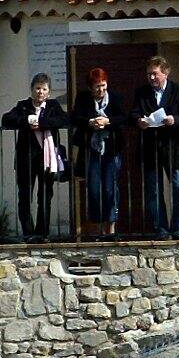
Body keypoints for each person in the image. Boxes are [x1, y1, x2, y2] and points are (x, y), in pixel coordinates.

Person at [132, 56, 179, 238]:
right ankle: (161, 228)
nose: (151, 78)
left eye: (155, 74)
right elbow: (134, 112)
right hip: (151, 148)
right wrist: (140, 121)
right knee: (154, 190)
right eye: (149, 74)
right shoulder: (142, 92)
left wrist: (175, 120)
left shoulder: (178, 90)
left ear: (165, 73)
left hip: (173, 147)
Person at [1, 74, 69, 242]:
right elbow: (6, 119)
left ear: (49, 92)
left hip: (47, 160)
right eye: (37, 88)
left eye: (44, 89)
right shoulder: (23, 106)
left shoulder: (53, 106)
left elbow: (65, 119)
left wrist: (44, 122)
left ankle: (42, 233)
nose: (40, 92)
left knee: (45, 197)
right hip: (26, 159)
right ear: (32, 89)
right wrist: (27, 121)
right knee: (25, 197)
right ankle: (28, 233)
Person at [70, 66, 123, 239]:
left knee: (110, 189)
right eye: (97, 87)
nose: (101, 90)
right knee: (93, 190)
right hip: (91, 150)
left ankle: (111, 229)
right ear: (90, 88)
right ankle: (97, 228)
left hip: (110, 149)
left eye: (103, 86)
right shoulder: (83, 98)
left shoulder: (114, 98)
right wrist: (91, 122)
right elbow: (76, 117)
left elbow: (122, 118)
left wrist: (107, 121)